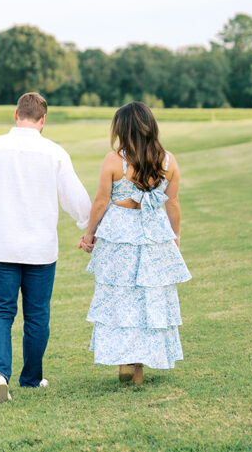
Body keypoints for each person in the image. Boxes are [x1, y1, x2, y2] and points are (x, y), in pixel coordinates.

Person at [0, 92, 92, 404]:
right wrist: (89, 228)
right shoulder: (55, 153)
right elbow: (78, 201)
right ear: (43, 121)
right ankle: (31, 379)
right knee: (37, 316)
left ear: (15, 115)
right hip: (40, 249)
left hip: (1, 246)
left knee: (1, 312)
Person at [78, 101, 191, 385]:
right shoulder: (168, 161)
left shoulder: (115, 160)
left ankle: (129, 363)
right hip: (154, 234)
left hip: (121, 237)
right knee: (149, 298)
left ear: (122, 129)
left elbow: (102, 200)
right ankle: (136, 364)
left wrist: (90, 234)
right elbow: (173, 202)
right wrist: (174, 238)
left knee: (122, 297)